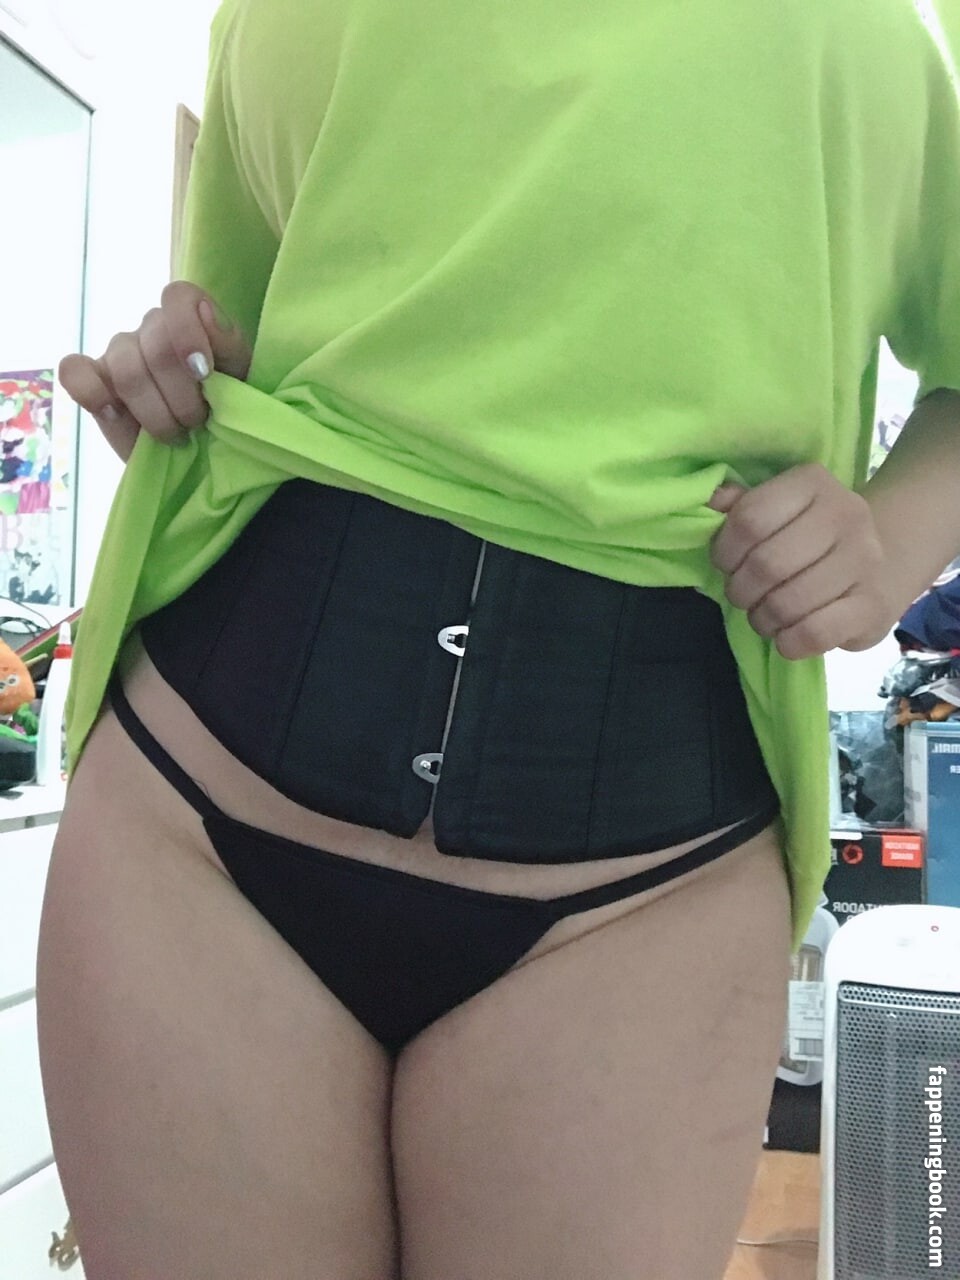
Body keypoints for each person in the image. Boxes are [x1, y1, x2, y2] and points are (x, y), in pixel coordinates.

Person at [37, 1, 960, 1276]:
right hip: (197, 822)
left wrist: (895, 539)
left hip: (644, 890)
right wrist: (174, 364)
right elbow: (258, 323)